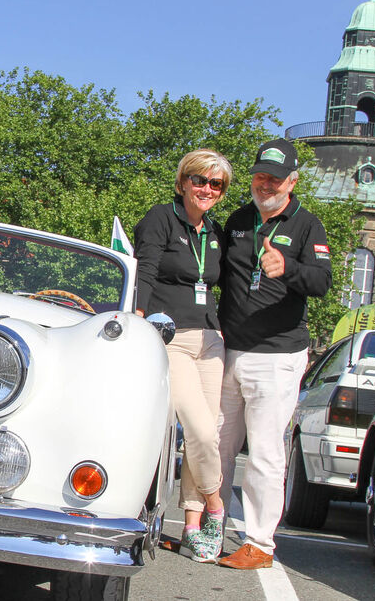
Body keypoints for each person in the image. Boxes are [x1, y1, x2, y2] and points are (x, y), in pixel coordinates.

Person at [216, 138, 332, 569]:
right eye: (260, 175)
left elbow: (322, 282)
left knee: (264, 452)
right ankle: (211, 528)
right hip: (228, 349)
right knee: (215, 445)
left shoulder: (307, 225)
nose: (266, 184)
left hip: (277, 355)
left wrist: (289, 269)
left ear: (292, 181)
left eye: (275, 178)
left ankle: (260, 544)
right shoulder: (238, 219)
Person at [133, 149, 232, 562]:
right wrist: (138, 320)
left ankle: (191, 526)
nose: (206, 189)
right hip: (171, 335)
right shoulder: (160, 218)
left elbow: (223, 285)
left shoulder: (216, 230)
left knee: (208, 430)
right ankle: (216, 507)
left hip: (211, 340)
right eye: (199, 180)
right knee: (200, 430)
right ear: (183, 182)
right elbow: (145, 271)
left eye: (216, 184)